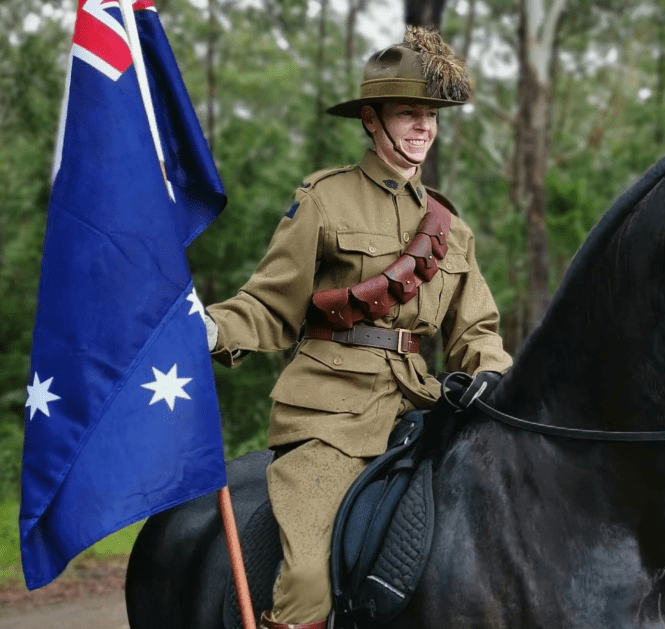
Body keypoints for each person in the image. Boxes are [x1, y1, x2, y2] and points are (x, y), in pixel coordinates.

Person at [202, 26, 512, 629]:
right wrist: (208, 331)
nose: (423, 127)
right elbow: (269, 304)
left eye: (431, 115)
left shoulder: (451, 229)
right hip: (329, 413)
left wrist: (496, 376)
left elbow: (477, 332)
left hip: (419, 407)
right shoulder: (325, 200)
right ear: (371, 120)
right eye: (407, 113)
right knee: (308, 579)